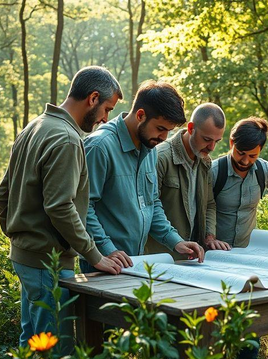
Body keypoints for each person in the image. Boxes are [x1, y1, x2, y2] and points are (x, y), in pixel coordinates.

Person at [0, 66, 124, 354]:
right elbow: (60, 206)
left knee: (31, 345)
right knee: (56, 350)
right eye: (107, 108)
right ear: (92, 98)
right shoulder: (66, 138)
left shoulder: (35, 125)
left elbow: (3, 192)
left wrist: (18, 236)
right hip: (48, 264)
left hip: (28, 256)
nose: (106, 118)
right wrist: (95, 255)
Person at [80, 80, 205, 274]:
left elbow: (152, 203)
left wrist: (177, 242)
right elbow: (83, 207)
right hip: (102, 264)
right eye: (160, 128)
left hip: (136, 263)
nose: (164, 138)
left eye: (168, 131)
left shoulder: (150, 148)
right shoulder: (99, 147)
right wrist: (107, 250)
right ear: (140, 115)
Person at [145, 103, 227, 258]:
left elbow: (209, 204)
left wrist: (209, 236)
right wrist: (175, 241)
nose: (212, 147)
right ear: (190, 128)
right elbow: (150, 209)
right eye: (207, 139)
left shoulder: (205, 162)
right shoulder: (160, 157)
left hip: (192, 260)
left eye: (217, 141)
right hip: (162, 258)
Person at [210, 117, 268, 250]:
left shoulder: (263, 170)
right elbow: (198, 210)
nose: (245, 161)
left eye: (252, 156)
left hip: (247, 251)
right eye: (241, 153)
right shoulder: (214, 172)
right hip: (215, 251)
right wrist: (209, 238)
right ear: (232, 143)